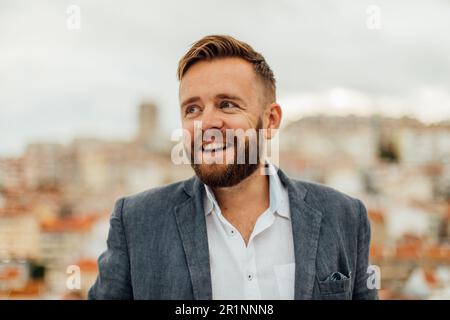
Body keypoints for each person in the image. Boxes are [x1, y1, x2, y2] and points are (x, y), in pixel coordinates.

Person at [88, 35, 378, 300]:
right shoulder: (137, 222)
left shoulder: (344, 217)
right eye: (192, 109)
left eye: (227, 104)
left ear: (272, 120)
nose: (207, 123)